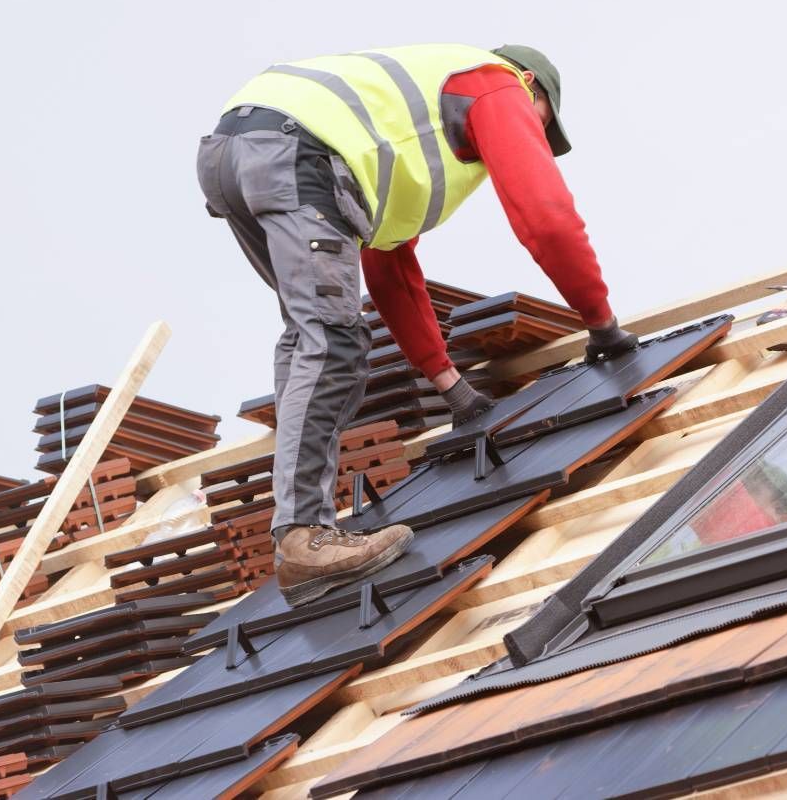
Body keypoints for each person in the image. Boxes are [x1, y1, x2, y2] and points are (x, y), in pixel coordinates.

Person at [196, 44, 638, 605]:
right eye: (543, 121)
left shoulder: (398, 145)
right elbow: (546, 218)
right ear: (532, 85)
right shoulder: (496, 85)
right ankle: (304, 538)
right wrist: (601, 322)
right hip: (295, 150)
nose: (535, 136)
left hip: (237, 153)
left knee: (311, 334)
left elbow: (391, 270)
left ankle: (300, 531)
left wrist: (451, 387)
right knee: (330, 339)